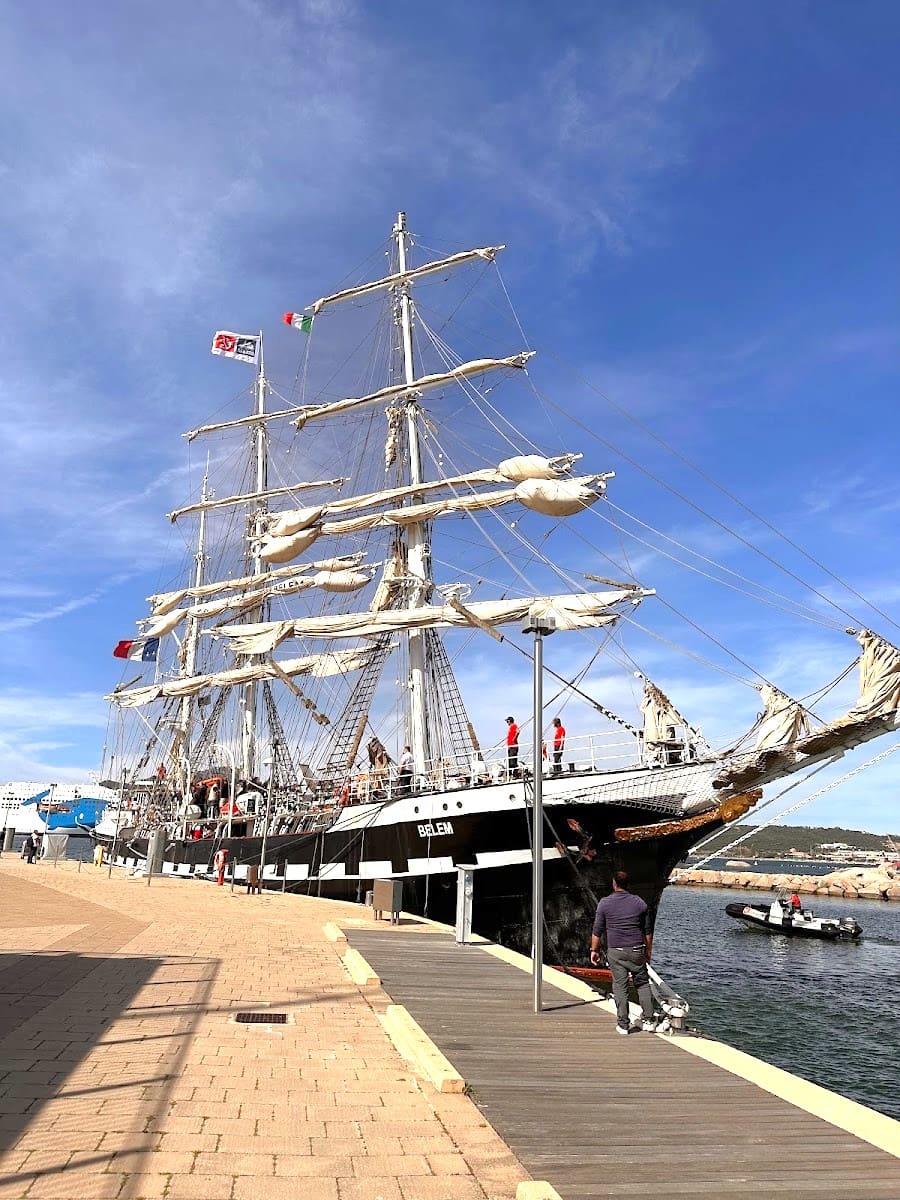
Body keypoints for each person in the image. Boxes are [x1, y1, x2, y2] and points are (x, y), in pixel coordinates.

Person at [590, 870, 655, 1036]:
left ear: (614, 884)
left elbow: (597, 931)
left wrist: (594, 950)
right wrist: (648, 950)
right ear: (628, 885)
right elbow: (647, 931)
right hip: (636, 949)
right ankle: (649, 1021)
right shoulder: (640, 903)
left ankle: (624, 1025)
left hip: (616, 951)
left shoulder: (605, 903)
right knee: (642, 983)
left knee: (620, 986)